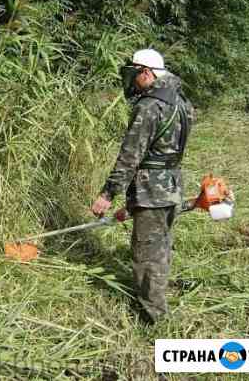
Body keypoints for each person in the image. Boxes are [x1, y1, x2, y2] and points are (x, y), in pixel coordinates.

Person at [91, 48, 195, 324]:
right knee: (161, 248)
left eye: (134, 75)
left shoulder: (150, 106)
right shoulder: (182, 102)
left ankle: (153, 319)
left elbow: (130, 155)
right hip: (172, 186)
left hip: (152, 192)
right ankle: (156, 302)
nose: (133, 82)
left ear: (146, 73)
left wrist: (108, 194)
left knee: (147, 255)